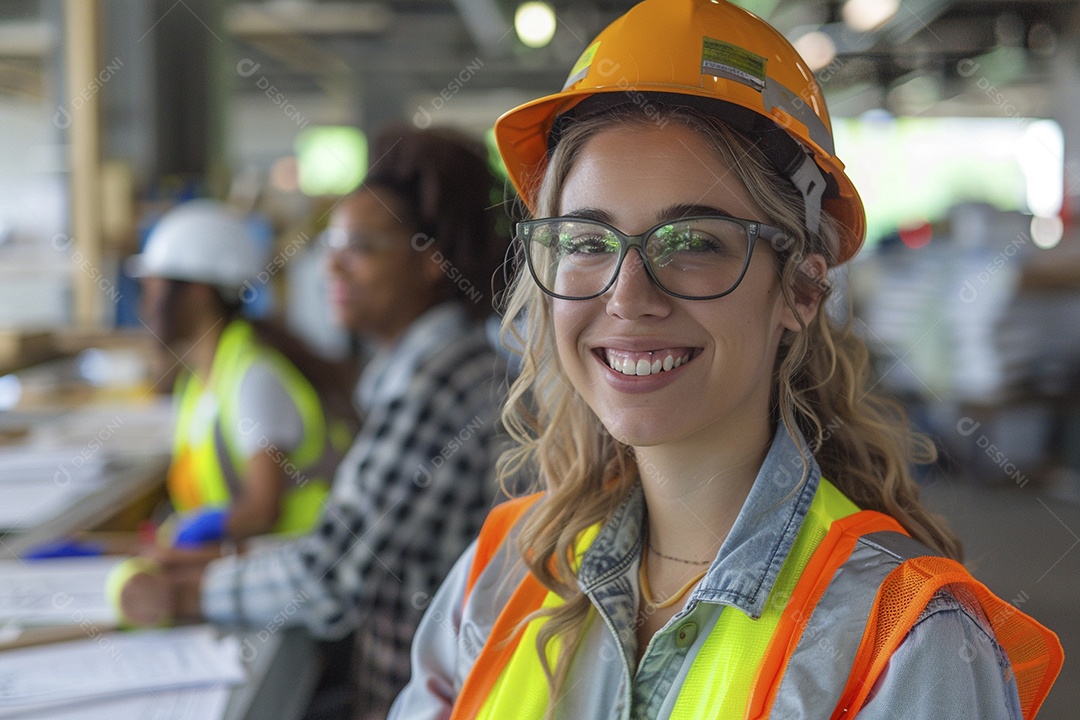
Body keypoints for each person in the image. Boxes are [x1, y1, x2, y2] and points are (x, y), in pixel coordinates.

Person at [388, 2, 1063, 719]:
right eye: (588, 242)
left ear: (802, 289)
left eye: (693, 243)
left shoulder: (904, 645)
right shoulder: (501, 577)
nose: (629, 296)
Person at [119, 126, 512, 718]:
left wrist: (185, 593)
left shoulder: (441, 382)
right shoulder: (413, 372)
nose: (331, 266)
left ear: (431, 263)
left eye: (359, 246)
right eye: (330, 244)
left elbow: (332, 576)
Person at [126, 200, 358, 547]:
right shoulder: (204, 375)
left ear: (198, 293)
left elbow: (262, 511)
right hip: (248, 564)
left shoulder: (253, 377)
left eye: (154, 288)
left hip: (297, 568)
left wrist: (191, 535)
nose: (145, 305)